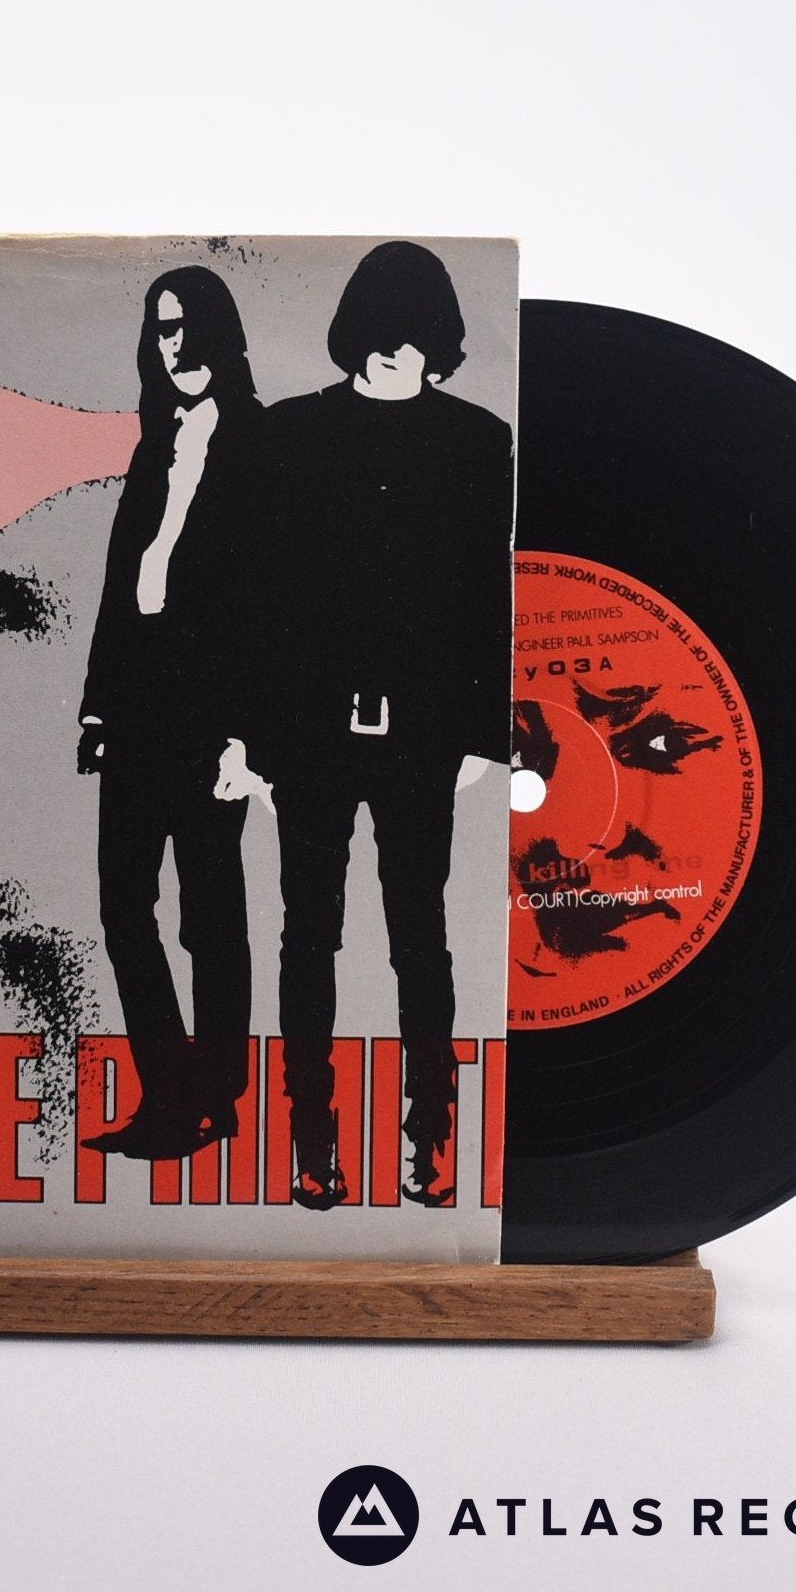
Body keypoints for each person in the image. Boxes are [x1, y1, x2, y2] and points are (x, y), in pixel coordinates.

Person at [233, 242, 513, 1209]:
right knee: (306, 937)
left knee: (418, 935)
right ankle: (311, 1140)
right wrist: (251, 742)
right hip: (305, 735)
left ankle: (430, 1139)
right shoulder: (288, 433)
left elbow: (486, 594)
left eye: (417, 334)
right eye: (383, 331)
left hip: (424, 738)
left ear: (441, 342)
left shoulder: (478, 440)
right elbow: (259, 602)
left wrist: (481, 734)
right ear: (354, 332)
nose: (397, 350)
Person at [77, 268, 262, 1160]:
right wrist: (95, 709)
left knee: (209, 916)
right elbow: (121, 586)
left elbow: (279, 610)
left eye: (188, 326)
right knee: (124, 908)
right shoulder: (153, 444)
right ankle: (169, 1096)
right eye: (161, 329)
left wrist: (249, 739)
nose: (175, 344)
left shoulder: (262, 443)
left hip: (215, 718)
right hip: (137, 711)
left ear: (221, 332)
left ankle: (216, 1097)